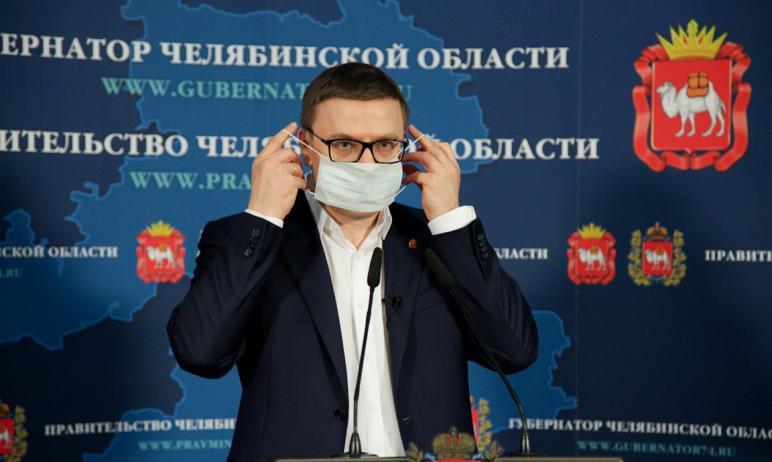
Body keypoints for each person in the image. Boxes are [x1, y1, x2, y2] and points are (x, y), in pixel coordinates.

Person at [167, 62, 538, 461]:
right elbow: (200, 354)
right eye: (344, 144)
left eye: (385, 145)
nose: (367, 163)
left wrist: (450, 219)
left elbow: (514, 351)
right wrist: (262, 217)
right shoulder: (251, 240)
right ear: (305, 147)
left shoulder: (440, 240)